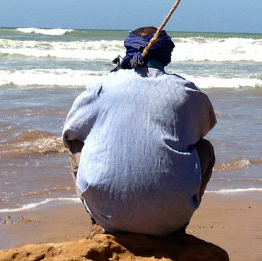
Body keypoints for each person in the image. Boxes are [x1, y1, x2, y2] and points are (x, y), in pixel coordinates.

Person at [62, 27, 217, 237]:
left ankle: (96, 220)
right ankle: (179, 227)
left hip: (108, 215)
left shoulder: (103, 85)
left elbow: (70, 132)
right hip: (171, 219)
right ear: (166, 55)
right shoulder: (186, 90)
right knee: (205, 149)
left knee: (75, 143)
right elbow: (204, 128)